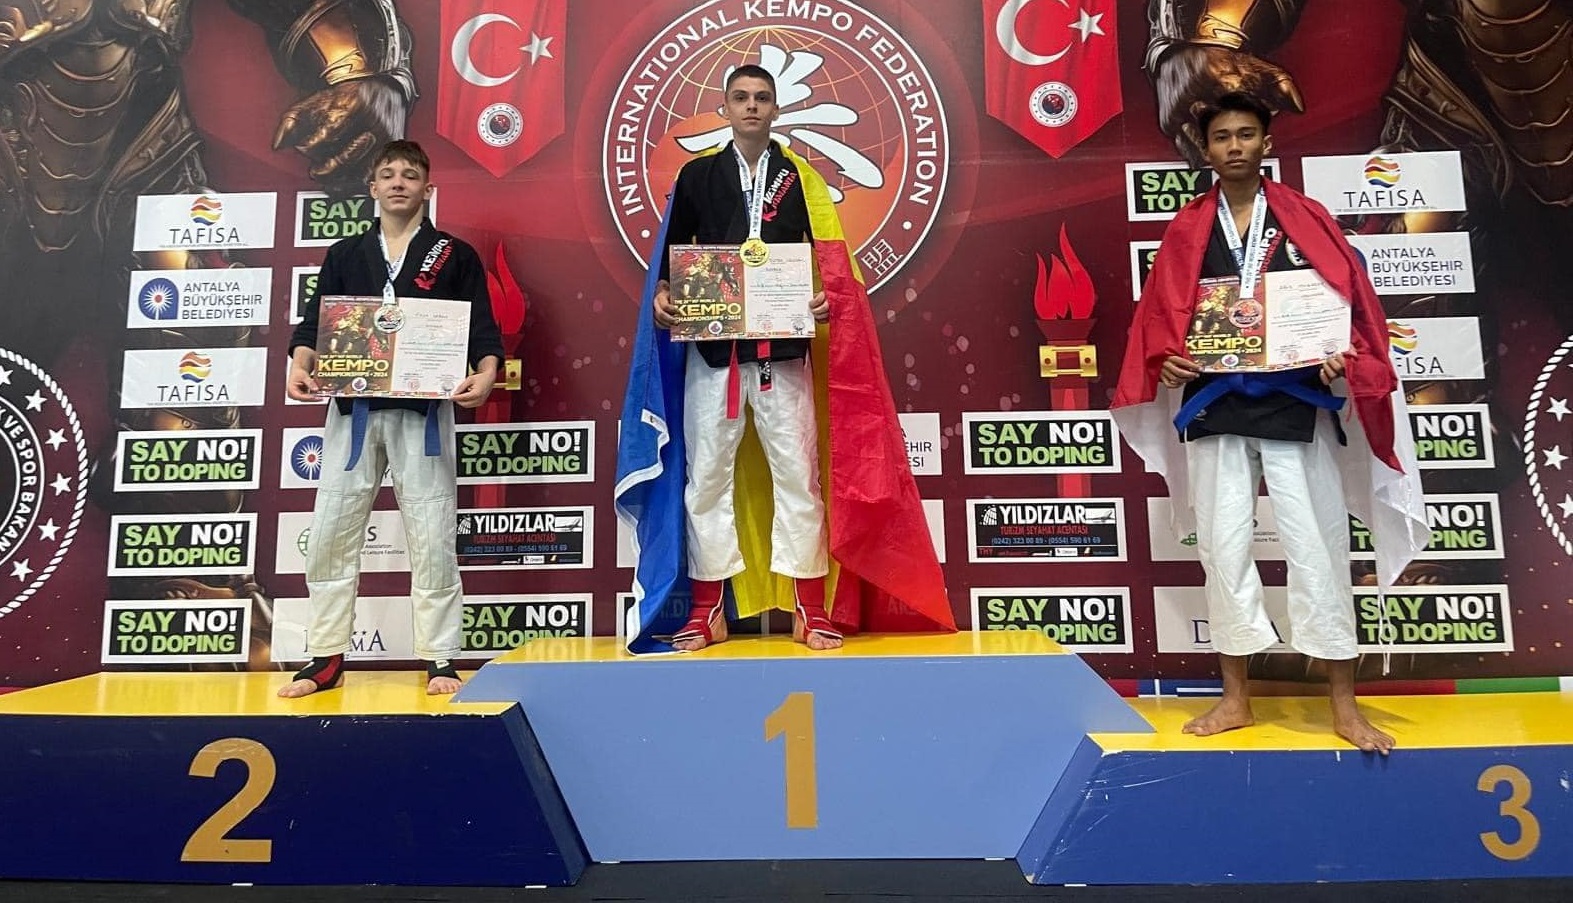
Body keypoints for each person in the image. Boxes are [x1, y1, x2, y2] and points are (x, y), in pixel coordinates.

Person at [1112, 93, 1427, 754]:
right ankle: (1235, 699)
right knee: (1222, 549)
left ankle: (1344, 705)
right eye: (1222, 136)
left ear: (1266, 142)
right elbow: (1160, 320)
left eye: (1246, 134)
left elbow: (1349, 306)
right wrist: (1164, 360)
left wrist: (1343, 355)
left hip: (1296, 402)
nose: (1234, 146)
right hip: (1214, 403)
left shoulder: (1306, 218)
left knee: (1319, 547)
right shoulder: (1187, 228)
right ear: (1205, 149)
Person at [614, 64, 954, 654]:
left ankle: (810, 608)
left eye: (761, 98)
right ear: (725, 108)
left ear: (776, 109)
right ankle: (706, 610)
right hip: (713, 354)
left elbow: (830, 263)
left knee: (799, 477)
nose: (751, 106)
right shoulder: (696, 175)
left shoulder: (801, 179)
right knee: (706, 479)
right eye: (740, 97)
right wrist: (665, 293)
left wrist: (827, 298)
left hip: (784, 354)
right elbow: (672, 256)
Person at [279, 140, 503, 696]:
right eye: (388, 174)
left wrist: (487, 373)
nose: (398, 182)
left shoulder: (453, 255)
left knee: (432, 532)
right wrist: (299, 365)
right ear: (373, 188)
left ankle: (440, 657)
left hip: (423, 415)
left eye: (410, 174)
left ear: (427, 188)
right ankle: (326, 656)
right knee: (331, 532)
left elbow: (481, 329)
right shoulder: (345, 254)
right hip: (352, 413)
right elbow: (314, 326)